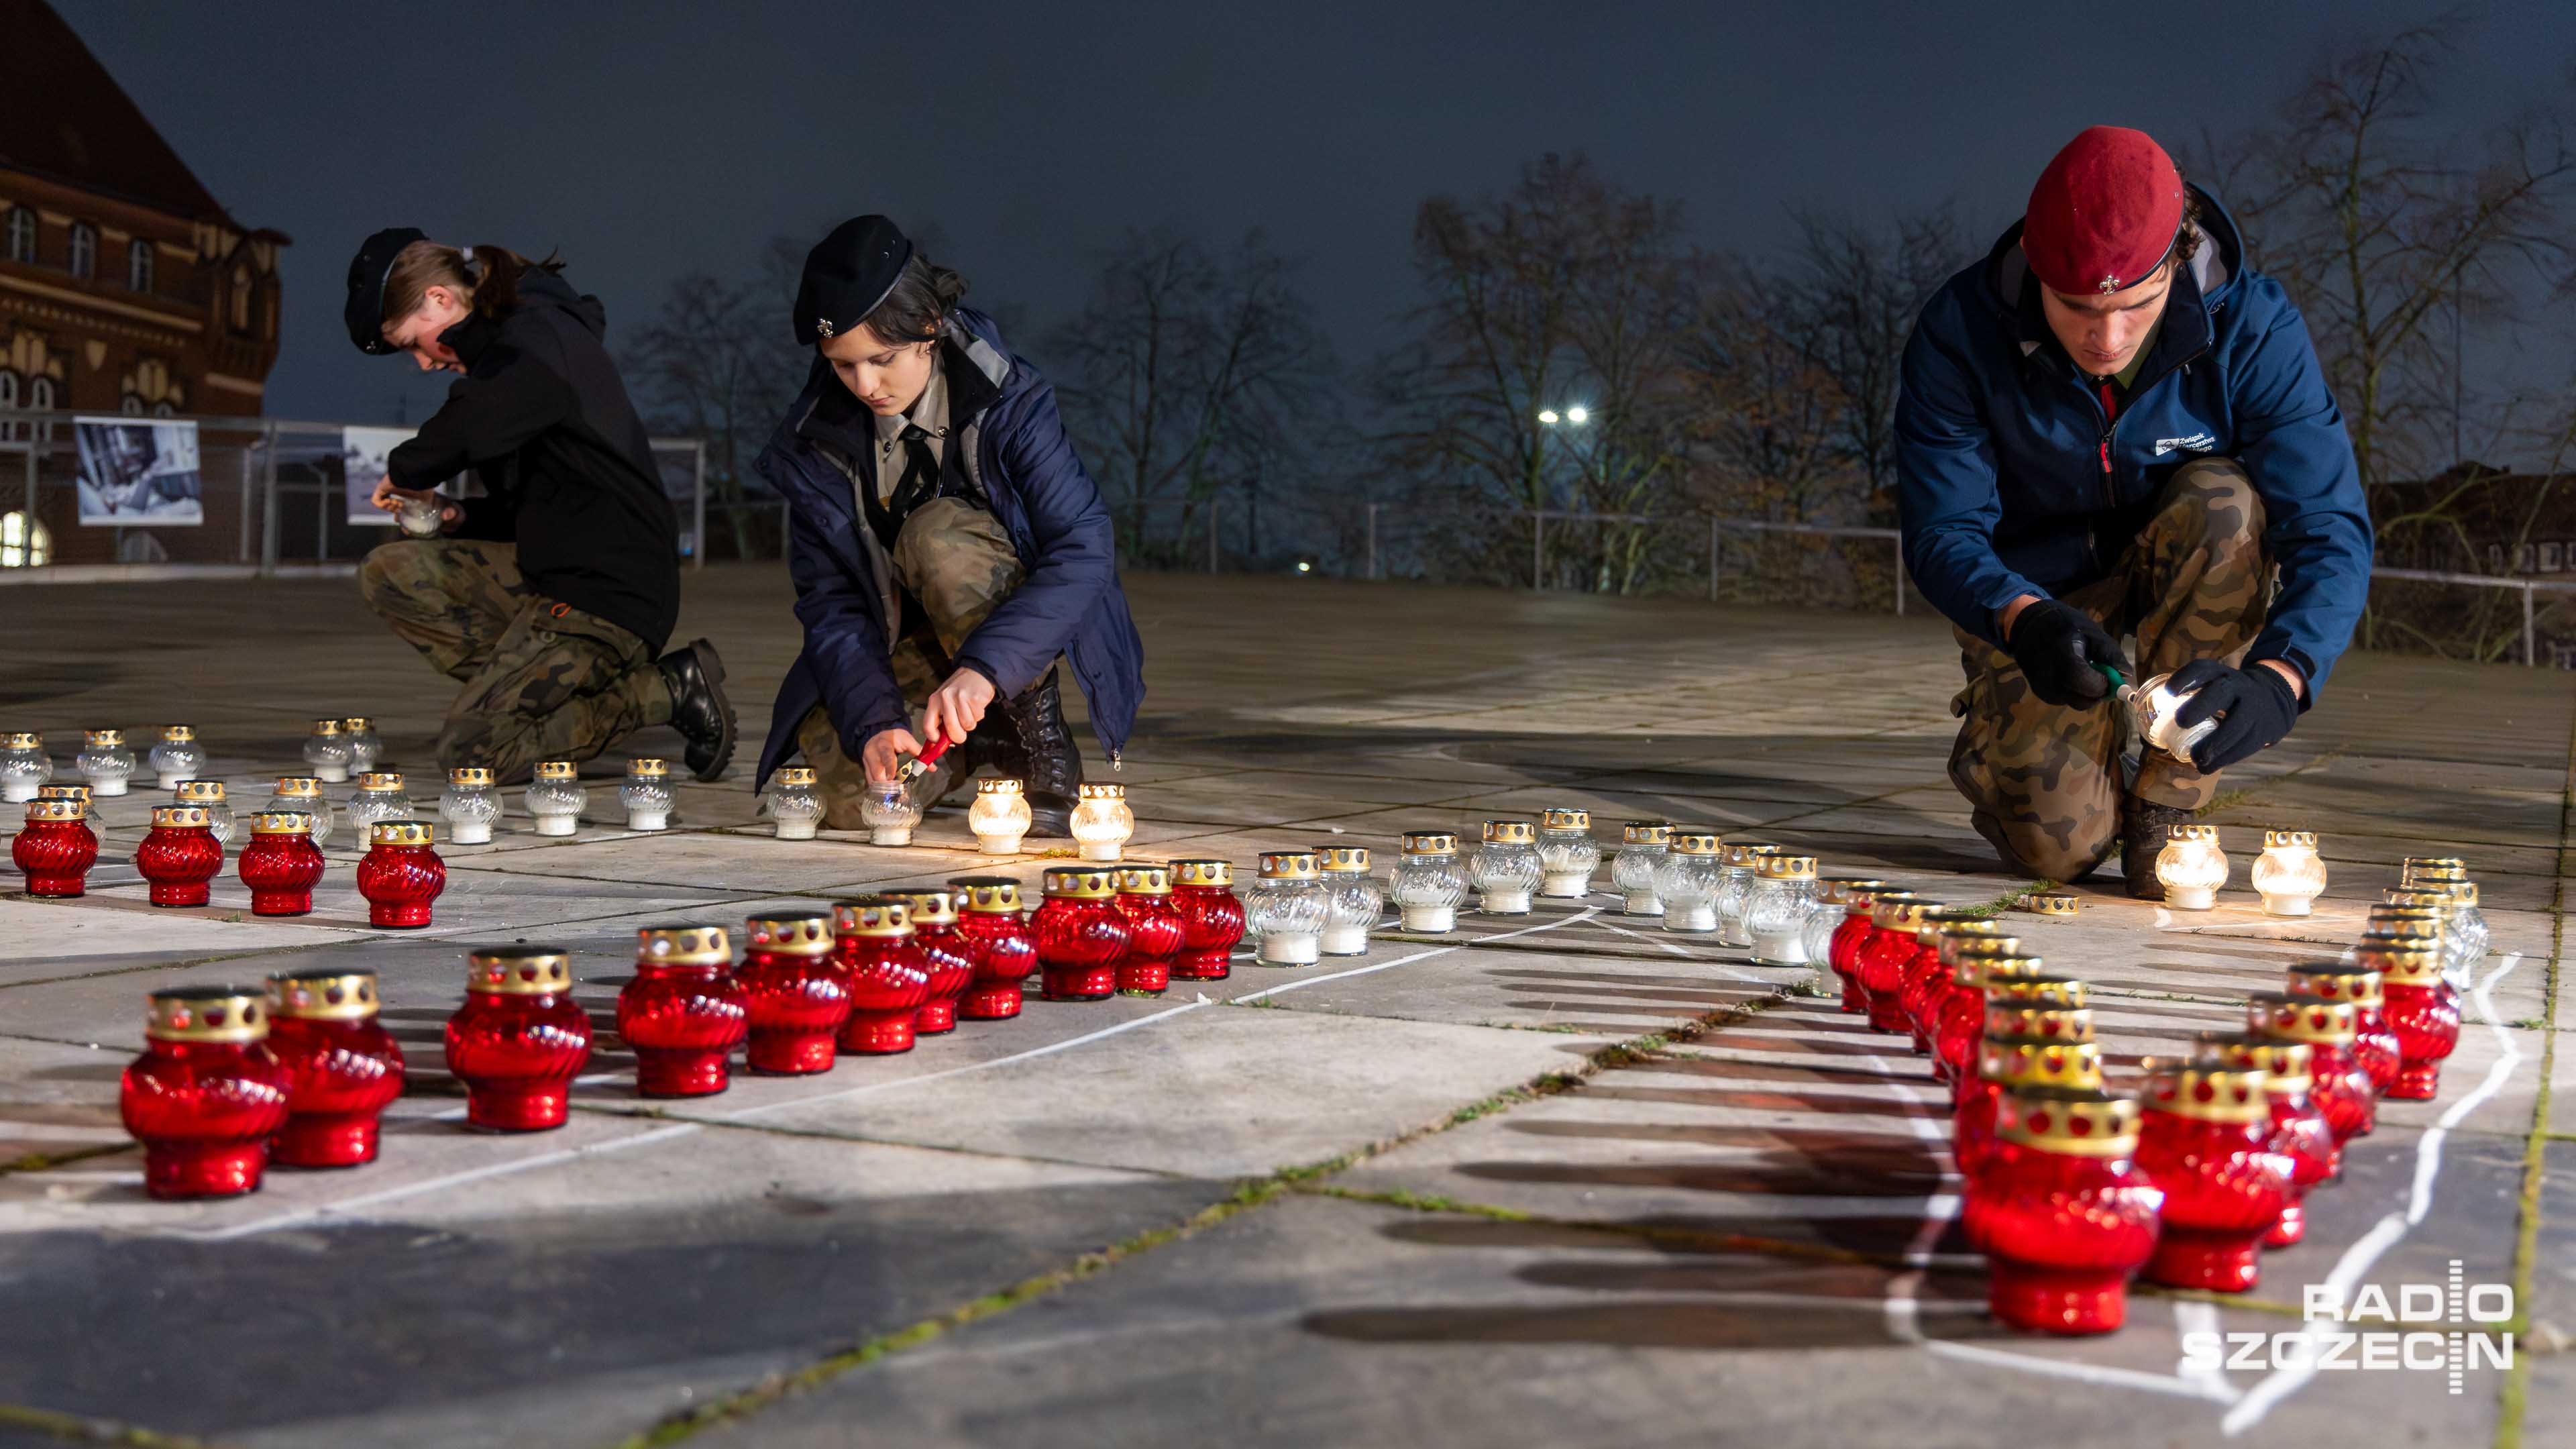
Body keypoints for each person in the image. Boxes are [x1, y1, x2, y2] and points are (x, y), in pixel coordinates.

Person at [1896, 127, 2372, 897]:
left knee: (2227, 501)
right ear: (2035, 269)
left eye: (2137, 305)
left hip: (2187, 558)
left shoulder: (2254, 326)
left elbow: (2329, 523)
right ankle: (2045, 750)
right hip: (2039, 594)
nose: (2107, 339)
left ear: (2177, 263)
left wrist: (2283, 678)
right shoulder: (1959, 332)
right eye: (2076, 307)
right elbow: (1941, 528)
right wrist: (2019, 616)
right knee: (2058, 852)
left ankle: (2168, 798)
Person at [752, 215, 1142, 833]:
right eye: (843, 366)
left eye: (882, 359)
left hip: (1009, 632)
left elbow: (1084, 546)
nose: (866, 385)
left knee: (935, 536)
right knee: (845, 799)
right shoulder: (813, 448)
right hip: (911, 644)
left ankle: (1037, 746)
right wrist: (875, 720)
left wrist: (987, 669)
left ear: (929, 328)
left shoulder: (1011, 398)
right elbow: (833, 606)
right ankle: (978, 738)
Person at [341, 228, 735, 783]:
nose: (425, 363)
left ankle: (663, 690)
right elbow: (531, 505)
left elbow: (470, 422)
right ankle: (536, 696)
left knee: (472, 756)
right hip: (556, 577)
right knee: (390, 571)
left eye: (413, 344)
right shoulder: (512, 362)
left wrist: (407, 469)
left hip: (608, 593)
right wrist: (459, 516)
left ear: (440, 298)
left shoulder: (537, 335)